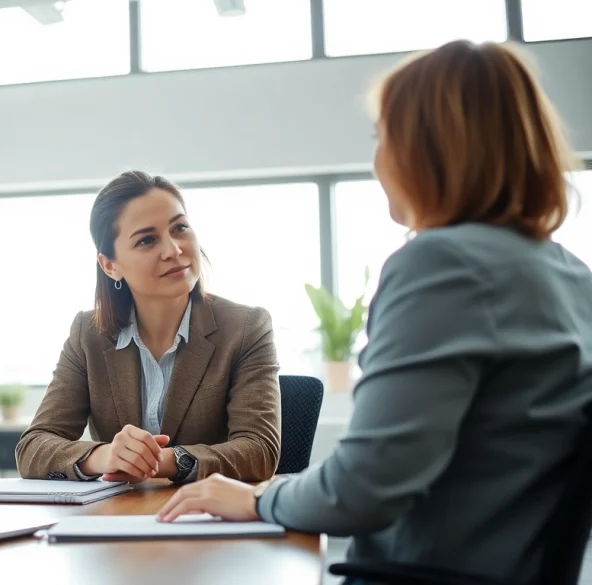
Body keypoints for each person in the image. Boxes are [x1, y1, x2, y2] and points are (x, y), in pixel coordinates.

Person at [156, 39, 592, 582]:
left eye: (383, 135)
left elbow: (363, 488)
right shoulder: (570, 274)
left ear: (427, 149)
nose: (378, 158)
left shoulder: (442, 264)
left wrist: (258, 497)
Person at [15, 170, 281, 484]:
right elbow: (32, 448)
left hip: (208, 517)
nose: (173, 250)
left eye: (180, 227)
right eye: (147, 240)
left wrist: (164, 461)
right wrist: (105, 456)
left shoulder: (246, 327)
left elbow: (260, 451)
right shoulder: (88, 334)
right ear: (110, 265)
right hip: (117, 519)